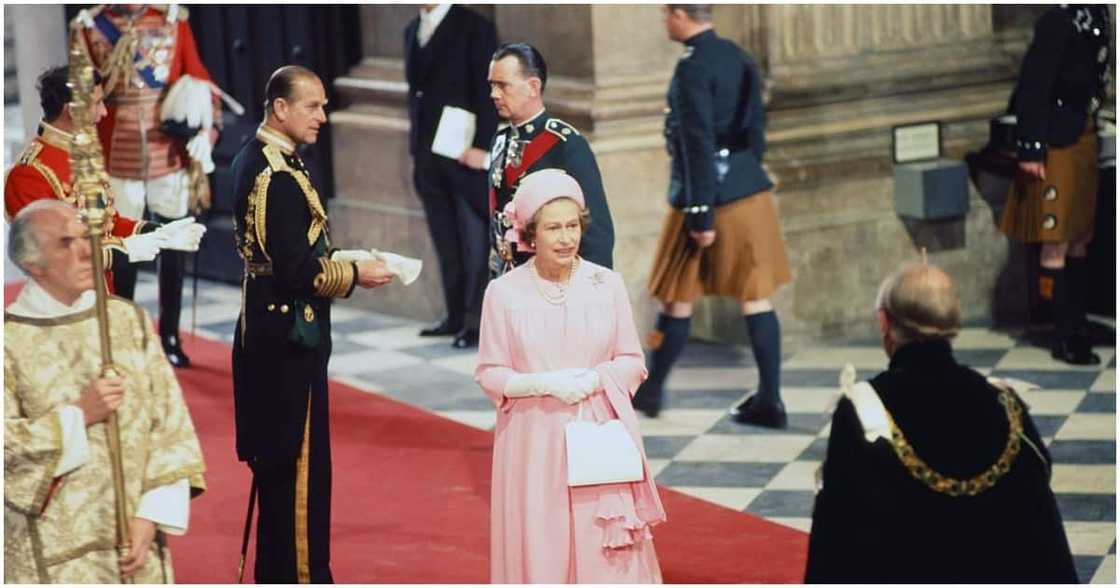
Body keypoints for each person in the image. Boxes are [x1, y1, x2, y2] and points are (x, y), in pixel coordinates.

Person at [804, 262, 1077, 582]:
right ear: (952, 321)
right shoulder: (1004, 404)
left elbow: (835, 532)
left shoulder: (862, 412)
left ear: (884, 323)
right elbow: (1041, 523)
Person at [231, 65, 396, 583]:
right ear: (281, 109)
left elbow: (287, 254)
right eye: (313, 106)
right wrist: (355, 273)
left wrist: (340, 258)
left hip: (265, 334)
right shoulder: (275, 174)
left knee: (281, 481)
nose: (323, 116)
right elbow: (296, 271)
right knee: (297, 481)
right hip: (285, 346)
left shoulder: (259, 157)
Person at [476, 168, 665, 583]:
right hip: (533, 443)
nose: (566, 238)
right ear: (529, 233)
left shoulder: (607, 284)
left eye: (572, 226)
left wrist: (598, 380)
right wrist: (544, 384)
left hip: (597, 435)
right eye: (553, 228)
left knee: (602, 550)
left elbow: (633, 360)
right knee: (543, 547)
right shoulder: (504, 294)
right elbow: (490, 372)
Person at [4, 200, 206, 583]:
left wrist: (151, 515)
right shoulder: (9, 341)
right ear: (32, 264)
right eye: (65, 243)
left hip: (136, 542)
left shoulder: (126, 320)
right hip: (49, 558)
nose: (86, 250)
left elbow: (170, 424)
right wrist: (78, 416)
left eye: (86, 237)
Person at [632, 5, 792, 426]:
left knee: (677, 297)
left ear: (683, 14)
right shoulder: (738, 55)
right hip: (747, 190)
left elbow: (696, 143)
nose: (664, 21)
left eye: (667, 13)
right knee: (756, 297)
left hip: (703, 198)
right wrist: (743, 171)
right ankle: (771, 401)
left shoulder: (692, 67)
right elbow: (756, 128)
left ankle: (651, 390)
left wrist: (701, 213)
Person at [79, 3, 221, 368]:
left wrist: (208, 129)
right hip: (117, 149)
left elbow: (199, 77)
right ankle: (125, 336)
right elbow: (81, 95)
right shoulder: (91, 25)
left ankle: (169, 334)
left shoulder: (173, 20)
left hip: (168, 147)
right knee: (125, 244)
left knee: (173, 240)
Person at [5, 66, 206, 293]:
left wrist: (160, 233)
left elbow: (110, 224)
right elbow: (53, 256)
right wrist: (125, 250)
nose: (104, 113)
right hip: (63, 308)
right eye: (97, 103)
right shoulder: (29, 174)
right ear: (72, 110)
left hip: (102, 297)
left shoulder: (83, 154)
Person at [999, 5, 1111, 365]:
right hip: (1055, 140)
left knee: (1080, 235)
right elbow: (1035, 83)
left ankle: (1076, 322)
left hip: (1081, 133)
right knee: (1057, 238)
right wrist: (1031, 146)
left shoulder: (1095, 13)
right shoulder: (1059, 20)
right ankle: (1063, 334)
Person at [405, 4, 498, 349]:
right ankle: (455, 315)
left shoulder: (475, 28)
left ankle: (477, 323)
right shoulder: (412, 30)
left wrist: (482, 147)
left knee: (474, 242)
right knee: (446, 241)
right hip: (428, 155)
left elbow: (488, 92)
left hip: (464, 155)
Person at [486, 42, 615, 275]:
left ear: (533, 87)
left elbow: (597, 232)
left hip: (553, 280)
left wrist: (595, 291)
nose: (494, 94)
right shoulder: (500, 139)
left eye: (503, 86)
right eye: (492, 85)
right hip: (509, 277)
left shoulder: (565, 144)